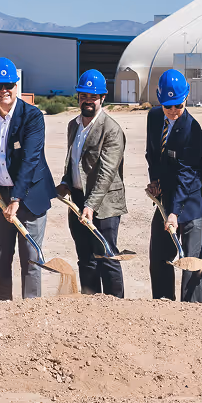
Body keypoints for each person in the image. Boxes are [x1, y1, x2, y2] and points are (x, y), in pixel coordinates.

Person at [0, 57, 55, 300]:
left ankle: (30, 315)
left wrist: (16, 199)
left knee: (31, 260)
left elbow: (30, 160)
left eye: (8, 85)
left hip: (29, 196)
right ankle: (1, 312)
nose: (3, 91)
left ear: (16, 86)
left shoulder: (32, 117)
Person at [55, 69, 128, 297]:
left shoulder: (112, 129)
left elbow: (107, 171)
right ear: (78, 96)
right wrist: (66, 182)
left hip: (104, 205)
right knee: (85, 258)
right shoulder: (73, 125)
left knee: (106, 256)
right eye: (84, 95)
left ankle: (116, 308)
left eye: (93, 96)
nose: (88, 100)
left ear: (102, 98)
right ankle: (90, 306)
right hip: (78, 200)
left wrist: (91, 206)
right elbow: (73, 161)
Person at [145, 68, 202, 302]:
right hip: (166, 197)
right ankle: (163, 305)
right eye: (167, 106)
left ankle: (192, 310)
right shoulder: (153, 117)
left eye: (178, 106)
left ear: (186, 98)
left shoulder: (193, 130)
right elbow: (152, 154)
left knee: (191, 262)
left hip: (190, 200)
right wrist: (154, 181)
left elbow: (187, 173)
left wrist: (174, 213)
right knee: (160, 256)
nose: (173, 112)